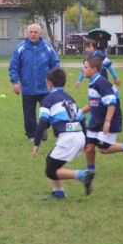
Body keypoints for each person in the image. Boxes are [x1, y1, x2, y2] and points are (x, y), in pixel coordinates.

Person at [31, 68, 94, 199]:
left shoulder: (47, 100)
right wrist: (87, 141)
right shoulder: (69, 98)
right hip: (79, 135)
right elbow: (81, 118)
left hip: (68, 137)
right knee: (50, 160)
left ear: (49, 83)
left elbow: (42, 122)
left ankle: (83, 175)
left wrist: (36, 144)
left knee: (50, 171)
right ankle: (59, 192)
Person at [80, 56, 123, 174]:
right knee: (89, 146)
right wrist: (79, 112)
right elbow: (93, 103)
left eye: (85, 67)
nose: (83, 70)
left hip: (109, 118)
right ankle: (90, 172)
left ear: (95, 69)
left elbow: (112, 102)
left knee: (104, 149)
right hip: (97, 118)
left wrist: (107, 122)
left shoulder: (101, 83)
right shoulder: (92, 82)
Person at [9, 23, 60, 141]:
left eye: (35, 32)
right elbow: (13, 67)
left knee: (49, 112)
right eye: (30, 32)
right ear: (27, 33)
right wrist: (15, 82)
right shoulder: (20, 48)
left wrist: (55, 82)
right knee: (29, 115)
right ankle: (31, 136)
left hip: (45, 88)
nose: (33, 34)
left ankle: (44, 128)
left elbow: (56, 64)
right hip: (27, 88)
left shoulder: (47, 47)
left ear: (40, 33)